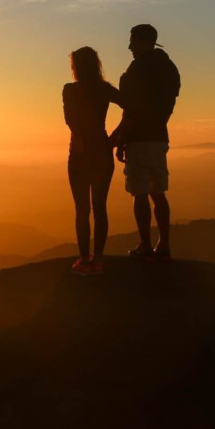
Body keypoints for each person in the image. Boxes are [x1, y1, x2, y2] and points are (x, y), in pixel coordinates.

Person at [112, 24, 181, 262]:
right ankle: (164, 243)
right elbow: (164, 105)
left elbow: (133, 108)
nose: (129, 46)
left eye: (133, 41)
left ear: (144, 41)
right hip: (159, 136)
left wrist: (118, 137)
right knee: (158, 192)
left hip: (140, 139)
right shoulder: (169, 68)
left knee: (139, 193)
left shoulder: (138, 67)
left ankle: (145, 244)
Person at [63, 46, 122, 276]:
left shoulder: (69, 90)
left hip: (79, 155)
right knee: (99, 208)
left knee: (82, 209)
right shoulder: (104, 89)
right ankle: (98, 259)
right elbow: (132, 107)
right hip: (101, 151)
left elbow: (70, 118)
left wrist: (78, 138)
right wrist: (116, 137)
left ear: (76, 66)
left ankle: (84, 259)